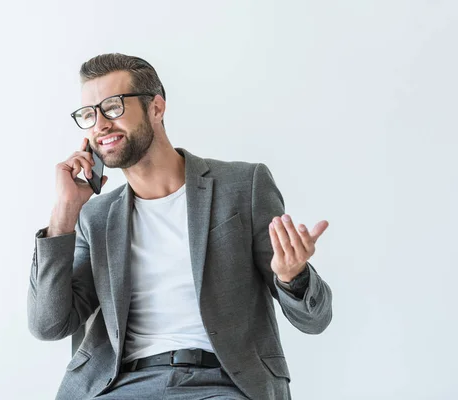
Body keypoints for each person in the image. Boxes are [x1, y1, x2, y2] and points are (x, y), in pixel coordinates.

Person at [27, 53, 333, 400]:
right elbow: (49, 325)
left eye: (112, 107)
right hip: (120, 386)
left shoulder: (243, 186)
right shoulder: (95, 218)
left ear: (156, 108)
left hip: (223, 384)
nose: (100, 125)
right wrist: (64, 214)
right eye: (88, 114)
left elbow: (315, 319)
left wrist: (292, 277)